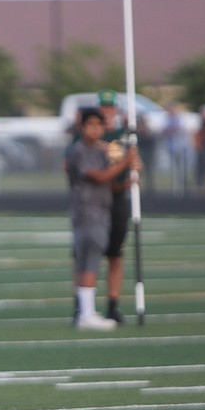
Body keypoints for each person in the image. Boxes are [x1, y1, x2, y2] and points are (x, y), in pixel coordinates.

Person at [65, 107, 140, 332]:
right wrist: (126, 161)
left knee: (91, 261)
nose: (95, 129)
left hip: (102, 211)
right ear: (82, 127)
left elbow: (110, 181)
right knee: (89, 262)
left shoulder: (101, 150)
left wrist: (126, 182)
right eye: (90, 125)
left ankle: (87, 311)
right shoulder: (79, 151)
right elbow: (98, 176)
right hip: (88, 212)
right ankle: (86, 314)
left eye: (99, 125)